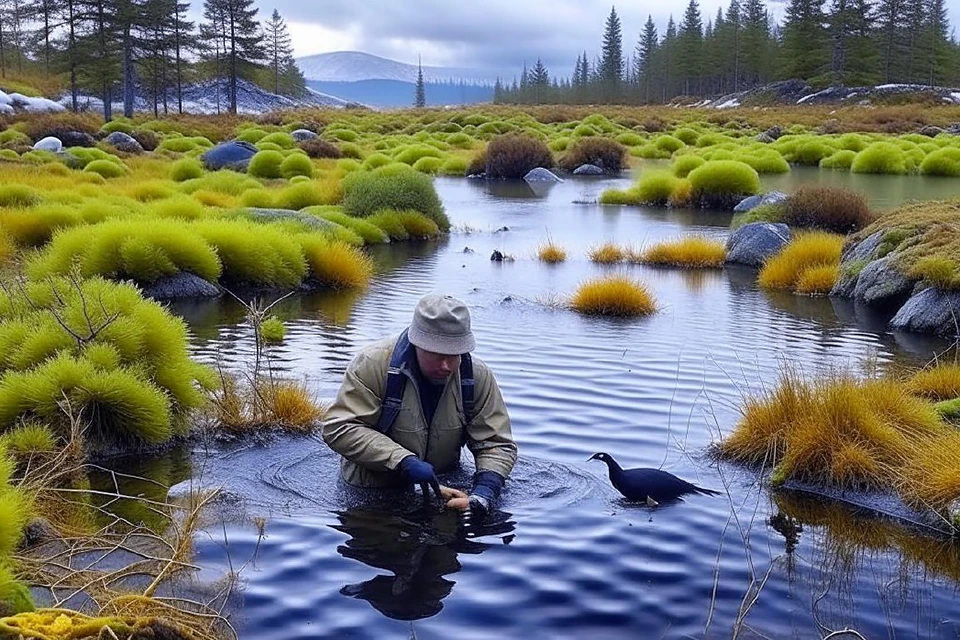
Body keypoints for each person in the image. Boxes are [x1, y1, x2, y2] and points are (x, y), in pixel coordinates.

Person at [322, 293, 517, 515]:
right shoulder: (372, 365)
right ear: (416, 344)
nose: (446, 365)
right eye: (436, 354)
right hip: (372, 490)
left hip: (445, 486)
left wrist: (484, 492)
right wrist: (402, 460)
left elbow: (496, 443)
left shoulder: (477, 377)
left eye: (454, 354)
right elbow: (339, 428)